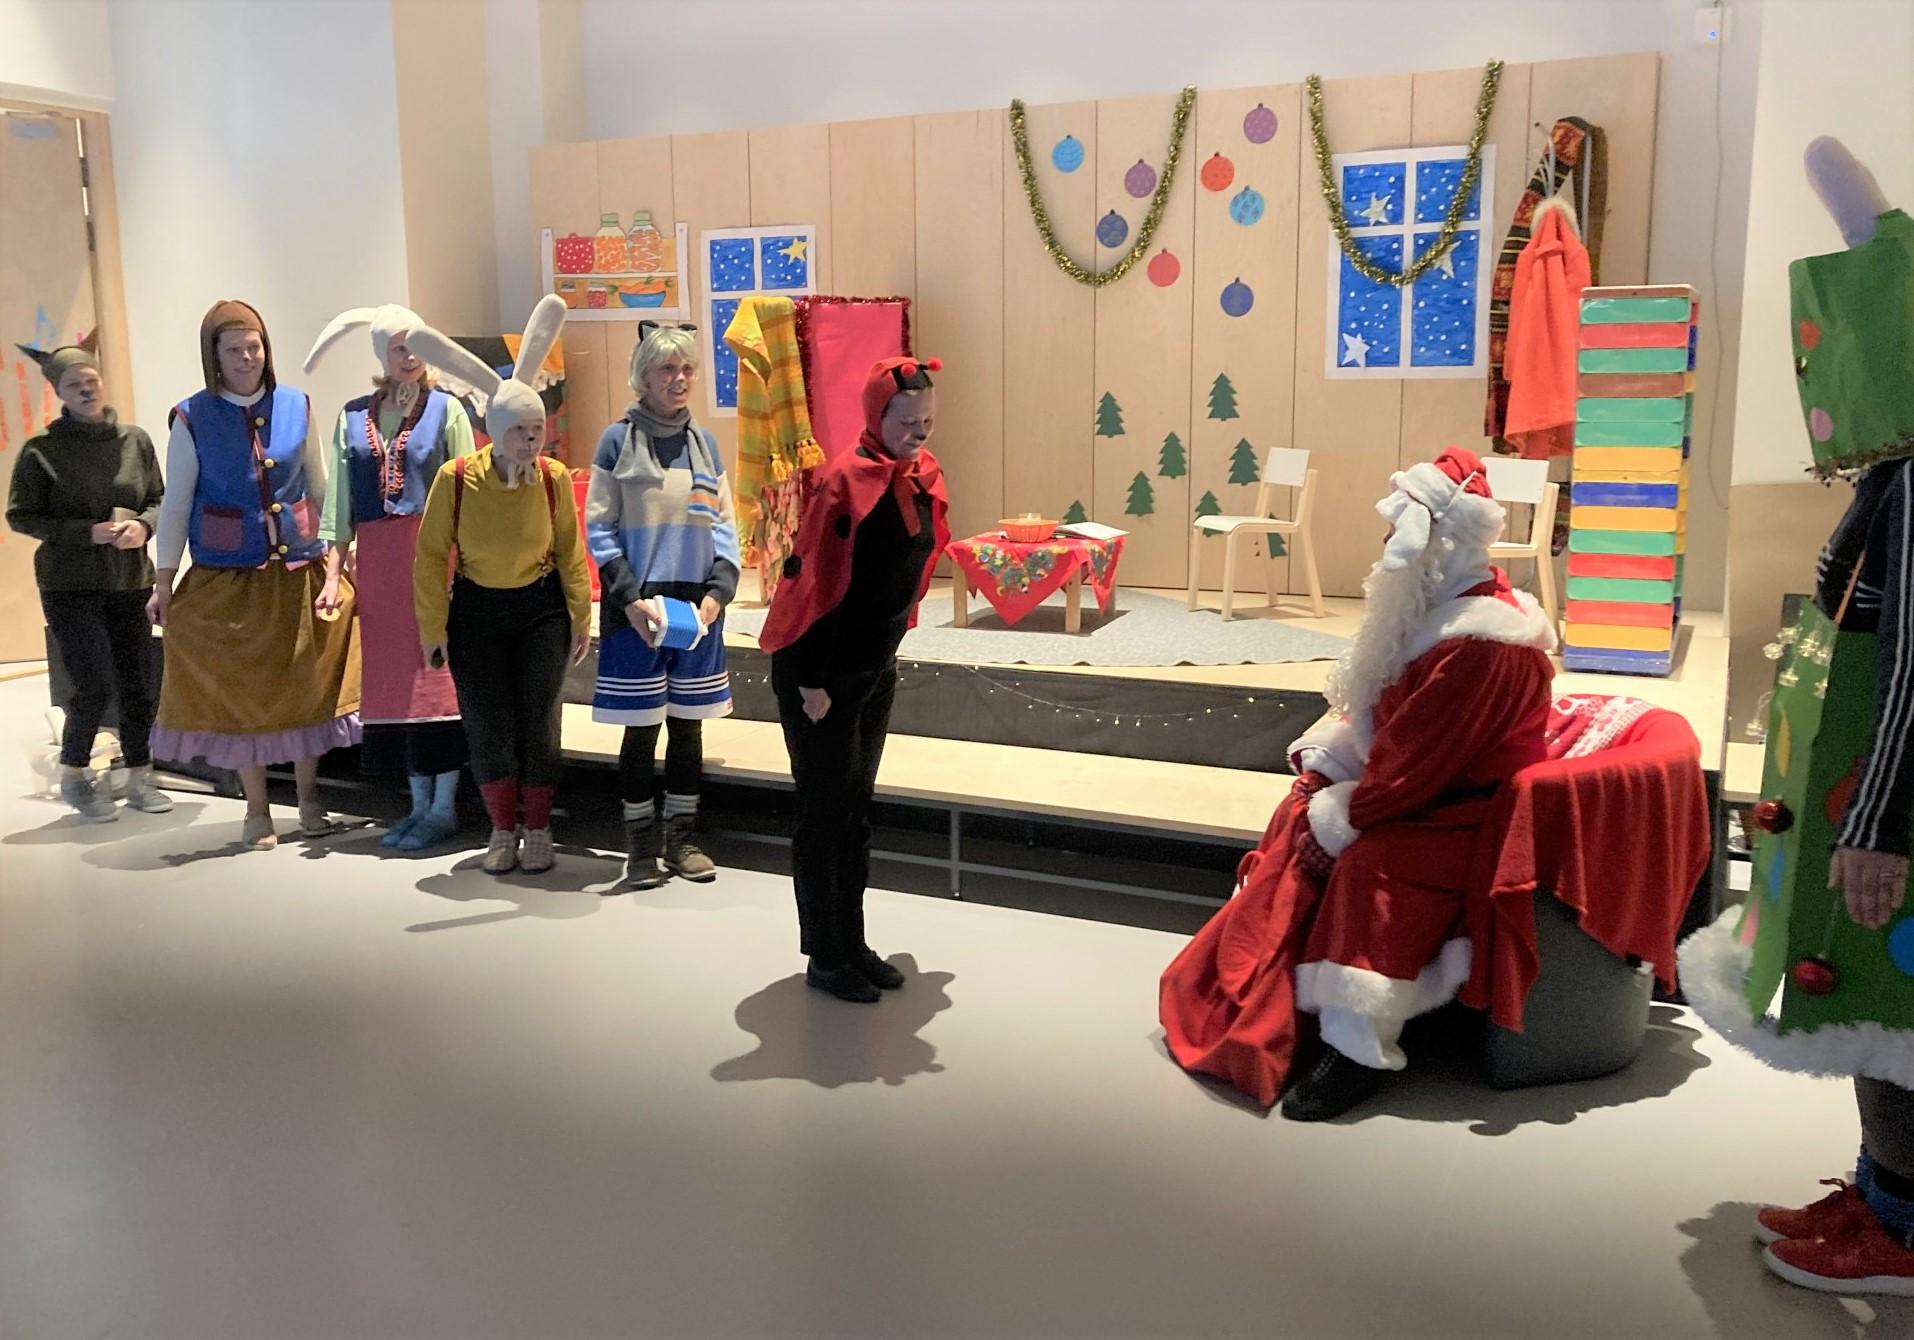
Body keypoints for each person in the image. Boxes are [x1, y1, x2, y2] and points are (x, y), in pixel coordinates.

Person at [1680, 138, 1914, 1296]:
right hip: (1864, 789)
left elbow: (1913, 669)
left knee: (1891, 1008)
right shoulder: (1894, 472)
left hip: (1887, 799)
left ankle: (1902, 1226)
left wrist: (1876, 823)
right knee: (1869, 996)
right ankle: (1880, 1190)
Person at [1158, 447, 1557, 1119]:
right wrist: (1327, 770)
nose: (1384, 545)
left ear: (1440, 542)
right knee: (1295, 813)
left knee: (1373, 868)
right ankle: (1268, 997)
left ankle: (1357, 1049)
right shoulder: (1435, 607)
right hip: (1422, 788)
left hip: (1465, 812)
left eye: (1398, 529)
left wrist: (1348, 808)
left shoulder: (1478, 643)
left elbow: (1417, 766)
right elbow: (1382, 722)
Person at [759, 356, 949, 1003]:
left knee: (855, 813)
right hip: (819, 675)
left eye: (927, 420)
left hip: (869, 668)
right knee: (824, 815)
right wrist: (815, 680)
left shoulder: (918, 475)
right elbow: (812, 582)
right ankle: (825, 954)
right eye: (907, 421)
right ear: (876, 416)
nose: (919, 432)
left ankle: (853, 942)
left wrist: (881, 655)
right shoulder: (845, 482)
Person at [147, 300, 360, 850]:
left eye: (255, 346)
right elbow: (176, 506)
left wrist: (340, 557)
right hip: (229, 578)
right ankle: (257, 808)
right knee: (243, 693)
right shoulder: (191, 417)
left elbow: (319, 486)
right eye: (234, 349)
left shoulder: (296, 405)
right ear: (213, 356)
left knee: (305, 684)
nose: (247, 357)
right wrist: (163, 581)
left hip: (298, 570)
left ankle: (310, 799)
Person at [407, 296, 593, 876]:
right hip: (476, 613)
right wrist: (433, 629)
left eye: (537, 431)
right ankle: (502, 828)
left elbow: (570, 553)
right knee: (488, 724)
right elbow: (430, 557)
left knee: (539, 721)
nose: (531, 442)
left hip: (540, 612)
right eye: (519, 432)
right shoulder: (457, 478)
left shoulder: (553, 479)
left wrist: (580, 616)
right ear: (496, 431)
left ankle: (538, 826)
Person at [306, 305, 474, 850]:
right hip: (378, 566)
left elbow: (469, 489)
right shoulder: (353, 415)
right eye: (399, 346)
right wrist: (333, 574)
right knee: (397, 689)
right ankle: (418, 804)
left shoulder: (447, 409)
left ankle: (444, 807)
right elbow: (339, 503)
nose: (410, 356)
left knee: (437, 682)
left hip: (434, 557)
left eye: (417, 344)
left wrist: (468, 565)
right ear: (382, 353)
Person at [586, 322, 739, 888]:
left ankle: (682, 838)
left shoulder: (706, 443)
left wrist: (716, 597)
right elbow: (599, 528)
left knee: (688, 729)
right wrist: (629, 601)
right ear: (643, 376)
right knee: (641, 730)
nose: (680, 379)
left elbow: (726, 526)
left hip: (695, 611)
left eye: (687, 369)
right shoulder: (616, 440)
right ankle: (640, 845)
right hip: (637, 611)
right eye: (667, 369)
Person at [6, 335, 170, 819]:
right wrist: (86, 532)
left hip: (129, 579)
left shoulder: (135, 440)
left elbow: (159, 499)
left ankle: (139, 775)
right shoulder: (41, 451)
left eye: (91, 380)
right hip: (69, 583)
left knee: (138, 682)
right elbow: (21, 515)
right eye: (74, 384)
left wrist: (143, 527)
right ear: (59, 392)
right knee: (93, 683)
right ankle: (75, 773)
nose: (85, 389)